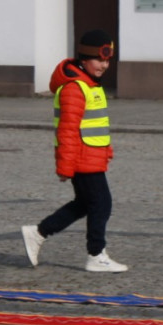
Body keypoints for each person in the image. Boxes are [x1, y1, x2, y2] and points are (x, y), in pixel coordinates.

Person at [21, 30, 128, 273]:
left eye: (107, 60)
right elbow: (67, 131)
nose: (104, 65)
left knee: (85, 204)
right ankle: (96, 254)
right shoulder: (75, 88)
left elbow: (96, 125)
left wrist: (106, 150)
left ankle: (38, 233)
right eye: (99, 60)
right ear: (84, 59)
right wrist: (65, 167)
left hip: (92, 155)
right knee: (101, 204)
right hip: (82, 158)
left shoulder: (90, 85)